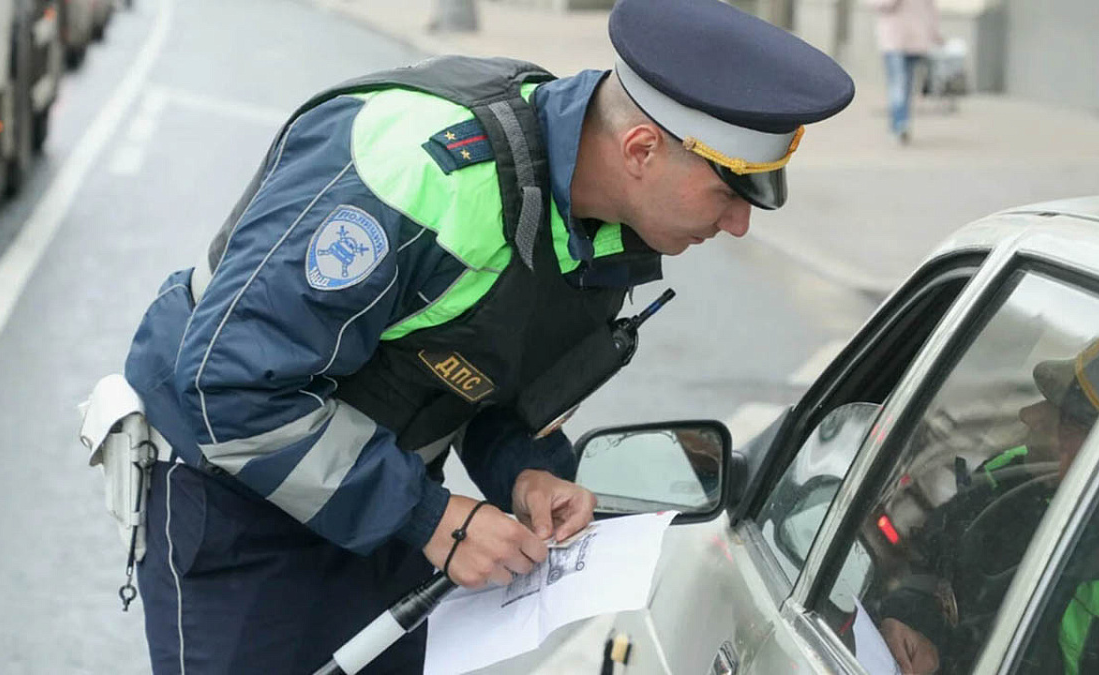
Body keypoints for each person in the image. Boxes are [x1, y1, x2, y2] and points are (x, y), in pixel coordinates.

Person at [116, 0, 856, 672]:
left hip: (387, 504)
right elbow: (228, 384)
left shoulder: (605, 221)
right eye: (728, 192)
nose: (738, 224)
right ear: (638, 151)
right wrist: (434, 517)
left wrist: (525, 471)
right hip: (241, 501)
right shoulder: (417, 170)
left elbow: (483, 377)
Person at [879, 336, 1099, 674]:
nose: (1030, 414)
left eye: (1064, 416)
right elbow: (926, 560)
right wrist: (911, 623)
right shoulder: (1013, 475)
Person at [865, 0, 943, 144]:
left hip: (915, 39)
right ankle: (900, 123)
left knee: (906, 85)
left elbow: (931, 8)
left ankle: (900, 123)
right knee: (899, 83)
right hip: (894, 40)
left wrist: (934, 34)